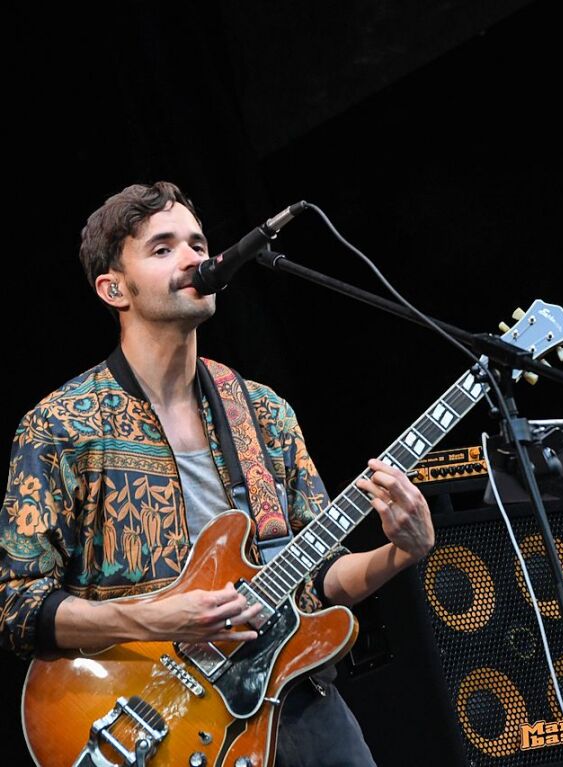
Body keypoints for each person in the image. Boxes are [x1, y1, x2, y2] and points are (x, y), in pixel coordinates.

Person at [0, 181, 436, 766]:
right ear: (113, 288)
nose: (194, 258)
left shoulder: (262, 411)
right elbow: (19, 609)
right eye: (163, 248)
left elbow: (316, 578)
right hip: (146, 720)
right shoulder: (58, 427)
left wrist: (402, 552)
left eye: (198, 242)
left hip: (295, 702)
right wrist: (154, 618)